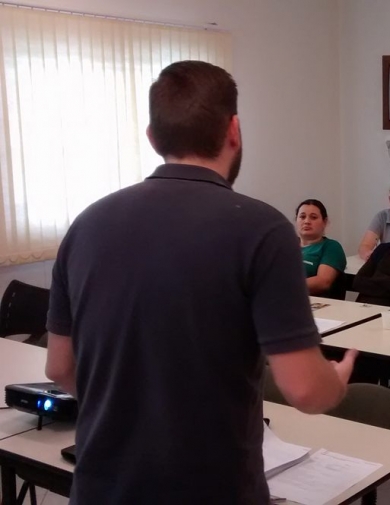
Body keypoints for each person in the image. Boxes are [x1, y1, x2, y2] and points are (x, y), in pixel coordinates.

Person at [44, 61, 357, 505]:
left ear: (153, 138)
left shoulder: (85, 225)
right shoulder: (262, 230)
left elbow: (59, 368)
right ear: (234, 130)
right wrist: (336, 380)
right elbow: (306, 390)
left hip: (101, 487)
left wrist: (130, 405)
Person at [296, 199, 347, 299]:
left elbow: (323, 282)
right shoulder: (287, 245)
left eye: (313, 217)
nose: (307, 221)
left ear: (324, 222)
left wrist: (286, 286)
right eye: (302, 217)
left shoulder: (331, 247)